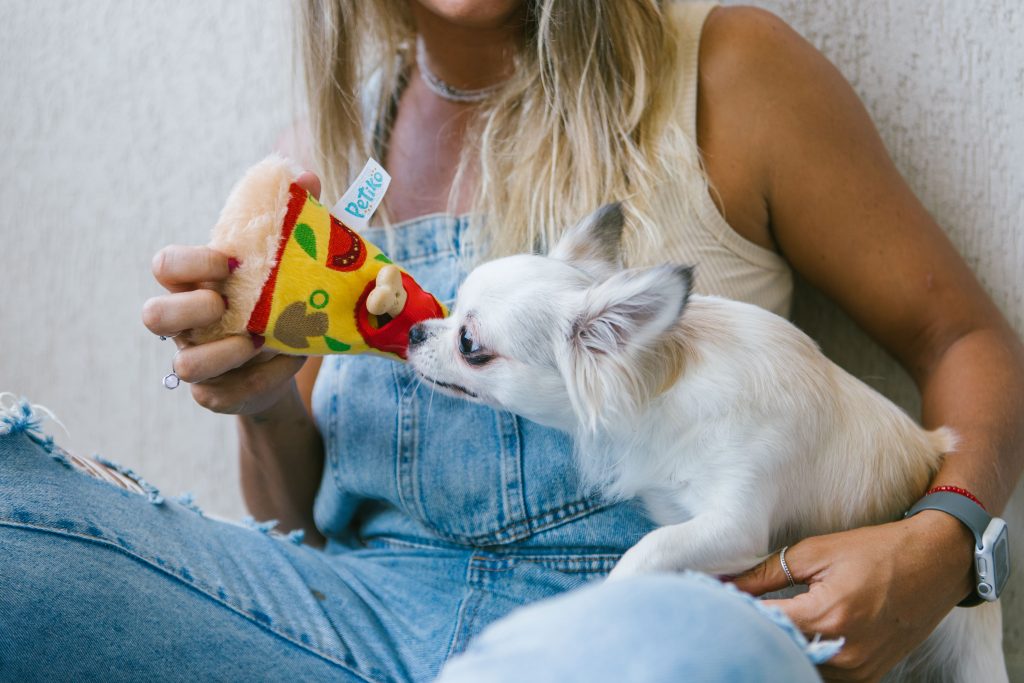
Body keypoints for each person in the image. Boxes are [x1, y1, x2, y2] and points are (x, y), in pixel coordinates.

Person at [1, 1, 1021, 681]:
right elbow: (301, 527)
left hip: (632, 627)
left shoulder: (727, 72)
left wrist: (947, 543)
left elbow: (963, 335)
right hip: (355, 621)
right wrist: (265, 400)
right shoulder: (321, 160)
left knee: (697, 636)